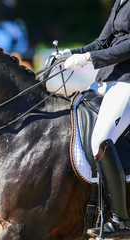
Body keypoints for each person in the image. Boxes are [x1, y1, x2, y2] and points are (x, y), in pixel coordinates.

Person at [55, 0, 130, 238]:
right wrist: (73, 53)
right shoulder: (121, 2)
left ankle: (121, 220)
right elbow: (102, 42)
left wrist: (88, 60)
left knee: (100, 140)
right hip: (107, 78)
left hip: (127, 81)